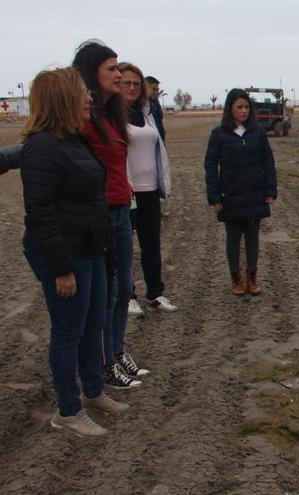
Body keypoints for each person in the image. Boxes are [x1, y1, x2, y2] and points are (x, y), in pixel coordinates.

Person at [20, 67, 129, 437]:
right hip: (66, 254)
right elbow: (41, 215)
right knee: (68, 329)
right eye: (82, 92)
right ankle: (68, 409)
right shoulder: (43, 147)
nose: (89, 98)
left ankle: (94, 392)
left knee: (93, 322)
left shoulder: (72, 140)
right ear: (62, 99)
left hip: (90, 247)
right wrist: (61, 268)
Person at [73, 41, 142, 389]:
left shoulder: (115, 114)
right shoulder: (83, 118)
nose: (119, 74)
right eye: (112, 69)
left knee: (124, 288)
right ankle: (102, 364)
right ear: (91, 73)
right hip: (100, 215)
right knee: (107, 294)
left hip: (121, 210)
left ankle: (116, 352)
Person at [204, 88, 277, 295]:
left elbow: (268, 162)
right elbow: (210, 165)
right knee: (233, 238)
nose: (243, 111)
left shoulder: (258, 133)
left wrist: (270, 189)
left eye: (246, 107)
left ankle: (252, 278)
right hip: (230, 193)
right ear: (230, 109)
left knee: (253, 237)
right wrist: (214, 195)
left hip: (255, 192)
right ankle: (235, 279)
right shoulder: (218, 134)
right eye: (239, 107)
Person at [119, 62, 175, 322]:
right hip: (125, 192)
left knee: (151, 243)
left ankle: (155, 293)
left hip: (150, 189)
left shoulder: (148, 113)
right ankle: (127, 296)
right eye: (126, 83)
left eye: (136, 83)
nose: (131, 87)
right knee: (125, 247)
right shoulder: (111, 115)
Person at [144, 76, 165, 141]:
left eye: (157, 90)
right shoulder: (138, 107)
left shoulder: (155, 104)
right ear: (144, 88)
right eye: (153, 89)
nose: (156, 93)